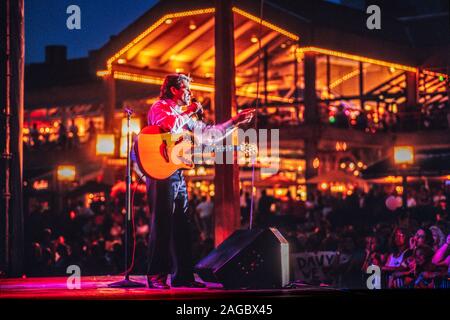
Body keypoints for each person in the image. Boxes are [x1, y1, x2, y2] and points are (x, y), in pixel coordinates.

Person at [145, 73, 254, 289]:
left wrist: (234, 122)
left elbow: (209, 135)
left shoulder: (187, 116)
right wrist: (188, 111)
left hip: (177, 170)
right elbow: (167, 126)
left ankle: (182, 276)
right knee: (163, 223)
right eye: (185, 89)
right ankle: (156, 275)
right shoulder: (160, 107)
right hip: (160, 170)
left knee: (182, 226)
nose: (189, 93)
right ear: (174, 89)